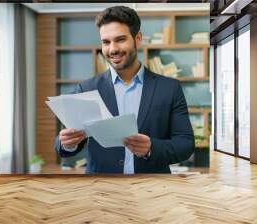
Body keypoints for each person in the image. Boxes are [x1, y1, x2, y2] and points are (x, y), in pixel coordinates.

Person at [54, 6, 194, 174]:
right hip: (101, 191)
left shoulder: (170, 88)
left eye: (120, 39)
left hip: (153, 190)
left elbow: (185, 144)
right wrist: (67, 143)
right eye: (106, 42)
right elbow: (61, 144)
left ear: (138, 38)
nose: (112, 49)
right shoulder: (86, 89)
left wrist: (151, 148)